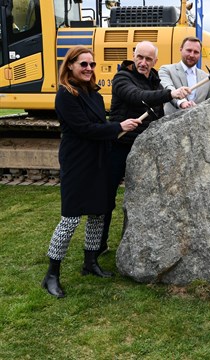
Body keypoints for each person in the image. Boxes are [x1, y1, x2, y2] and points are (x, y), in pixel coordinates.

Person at [42, 46, 141, 298]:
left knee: (98, 213)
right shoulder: (66, 94)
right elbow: (85, 128)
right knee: (71, 219)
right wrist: (118, 126)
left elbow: (99, 125)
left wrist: (119, 127)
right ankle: (51, 274)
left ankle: (90, 262)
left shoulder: (95, 95)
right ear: (71, 66)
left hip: (99, 160)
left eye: (92, 64)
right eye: (83, 64)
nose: (88, 69)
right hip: (77, 163)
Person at [100, 41, 189, 254]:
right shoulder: (122, 77)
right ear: (133, 55)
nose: (143, 62)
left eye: (148, 59)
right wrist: (171, 94)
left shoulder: (155, 81)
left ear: (154, 61)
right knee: (105, 199)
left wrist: (182, 104)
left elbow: (158, 108)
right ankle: (97, 245)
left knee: (144, 197)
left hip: (143, 149)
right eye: (140, 57)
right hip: (119, 146)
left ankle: (140, 244)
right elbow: (137, 97)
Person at [159, 36, 210, 115]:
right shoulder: (166, 70)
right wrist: (181, 102)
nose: (192, 55)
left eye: (196, 52)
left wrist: (199, 108)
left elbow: (209, 104)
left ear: (200, 54)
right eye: (189, 50)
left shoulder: (207, 78)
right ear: (181, 50)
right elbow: (168, 88)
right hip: (171, 124)